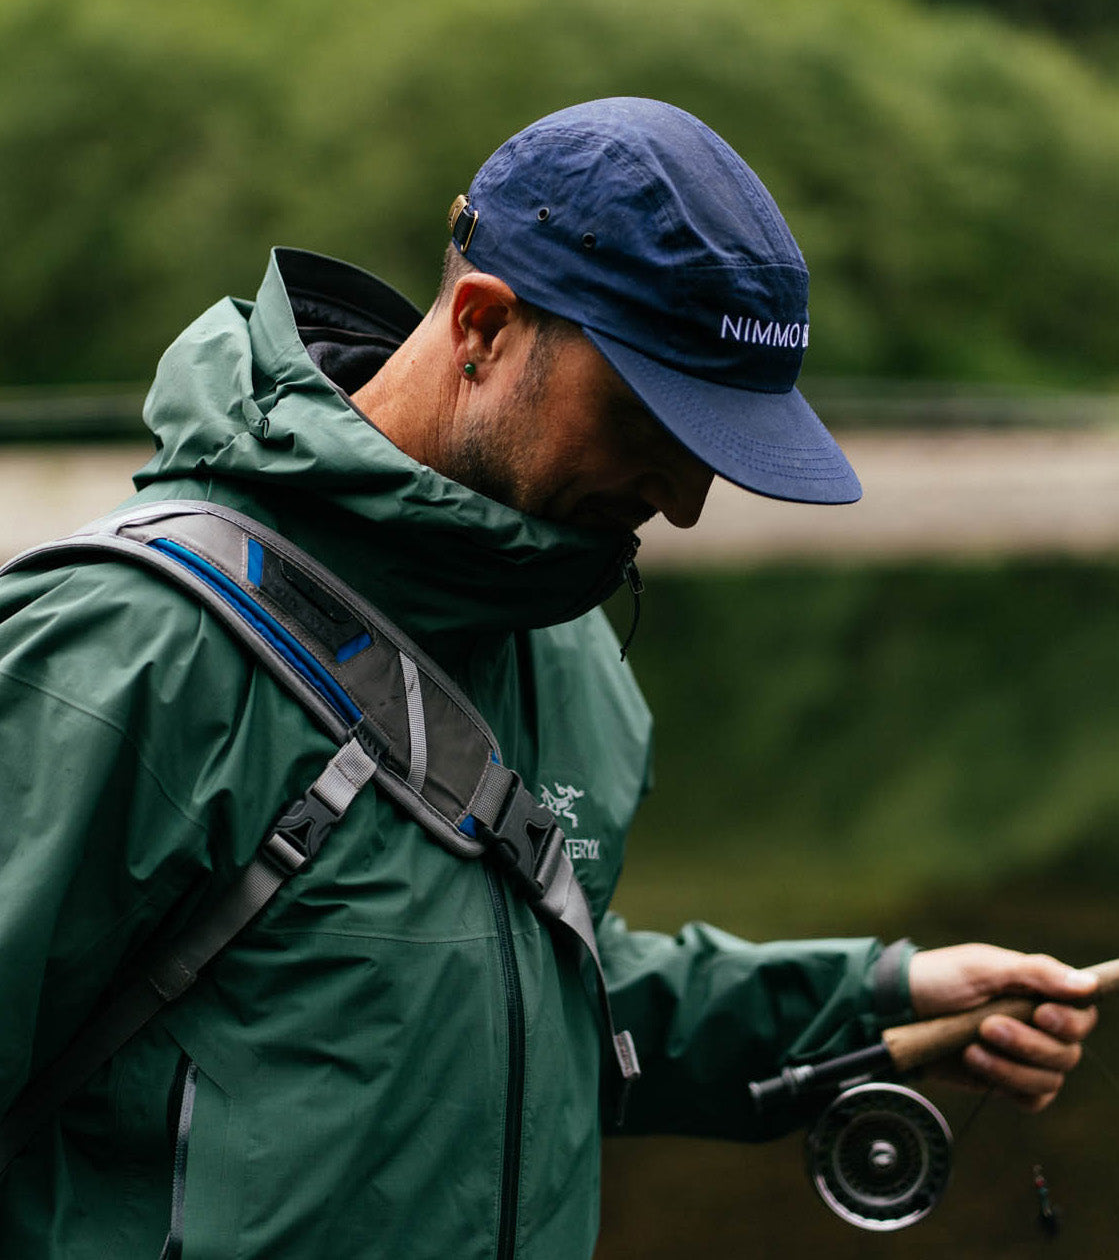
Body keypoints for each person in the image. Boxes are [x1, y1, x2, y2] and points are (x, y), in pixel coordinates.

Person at [0, 97, 1098, 1258]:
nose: (683, 503)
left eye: (714, 452)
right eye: (650, 421)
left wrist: (875, 998)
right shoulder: (124, 649)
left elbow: (533, 1003)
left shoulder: (567, 650)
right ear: (483, 327)